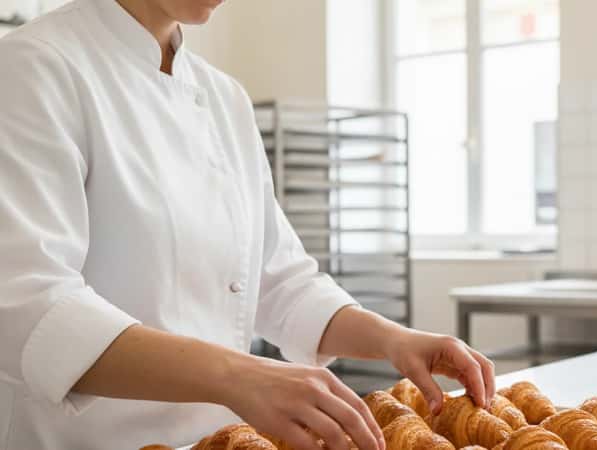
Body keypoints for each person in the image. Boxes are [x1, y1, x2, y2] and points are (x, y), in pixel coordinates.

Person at [0, 0, 495, 449]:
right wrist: (239, 375)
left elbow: (281, 282)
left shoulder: (224, 98)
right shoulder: (34, 67)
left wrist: (392, 340)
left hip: (220, 441)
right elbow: (26, 307)